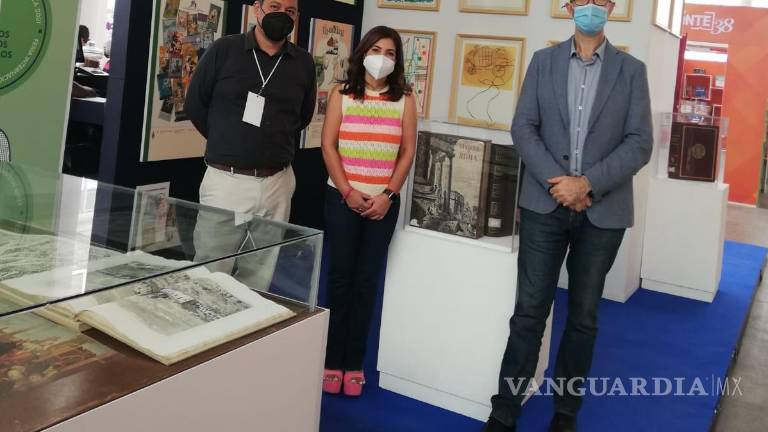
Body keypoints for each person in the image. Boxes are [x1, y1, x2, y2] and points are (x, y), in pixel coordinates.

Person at [484, 1, 653, 431]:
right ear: (569, 7)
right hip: (545, 206)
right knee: (529, 312)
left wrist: (587, 184)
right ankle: (504, 412)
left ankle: (565, 412)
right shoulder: (543, 62)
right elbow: (523, 128)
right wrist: (558, 184)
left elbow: (639, 143)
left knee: (583, 317)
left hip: (603, 211)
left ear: (610, 7)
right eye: (581, 1)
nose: (590, 7)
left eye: (599, 0)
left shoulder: (631, 71)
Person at [185, 0, 316, 291]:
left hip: (277, 183)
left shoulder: (303, 62)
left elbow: (303, 116)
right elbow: (195, 104)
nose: (282, 15)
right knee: (210, 272)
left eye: (290, 11)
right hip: (227, 180)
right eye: (274, 6)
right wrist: (227, 141)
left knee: (259, 272)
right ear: (258, 9)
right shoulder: (224, 50)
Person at [320, 26, 417, 397]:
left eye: (390, 53)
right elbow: (328, 146)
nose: (382, 58)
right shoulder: (341, 93)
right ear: (362, 53)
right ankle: (332, 359)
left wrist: (388, 195)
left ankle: (354, 363)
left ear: (397, 61)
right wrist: (347, 191)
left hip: (383, 204)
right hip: (342, 199)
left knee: (365, 283)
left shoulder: (405, 97)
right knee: (339, 279)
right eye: (376, 50)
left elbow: (408, 151)